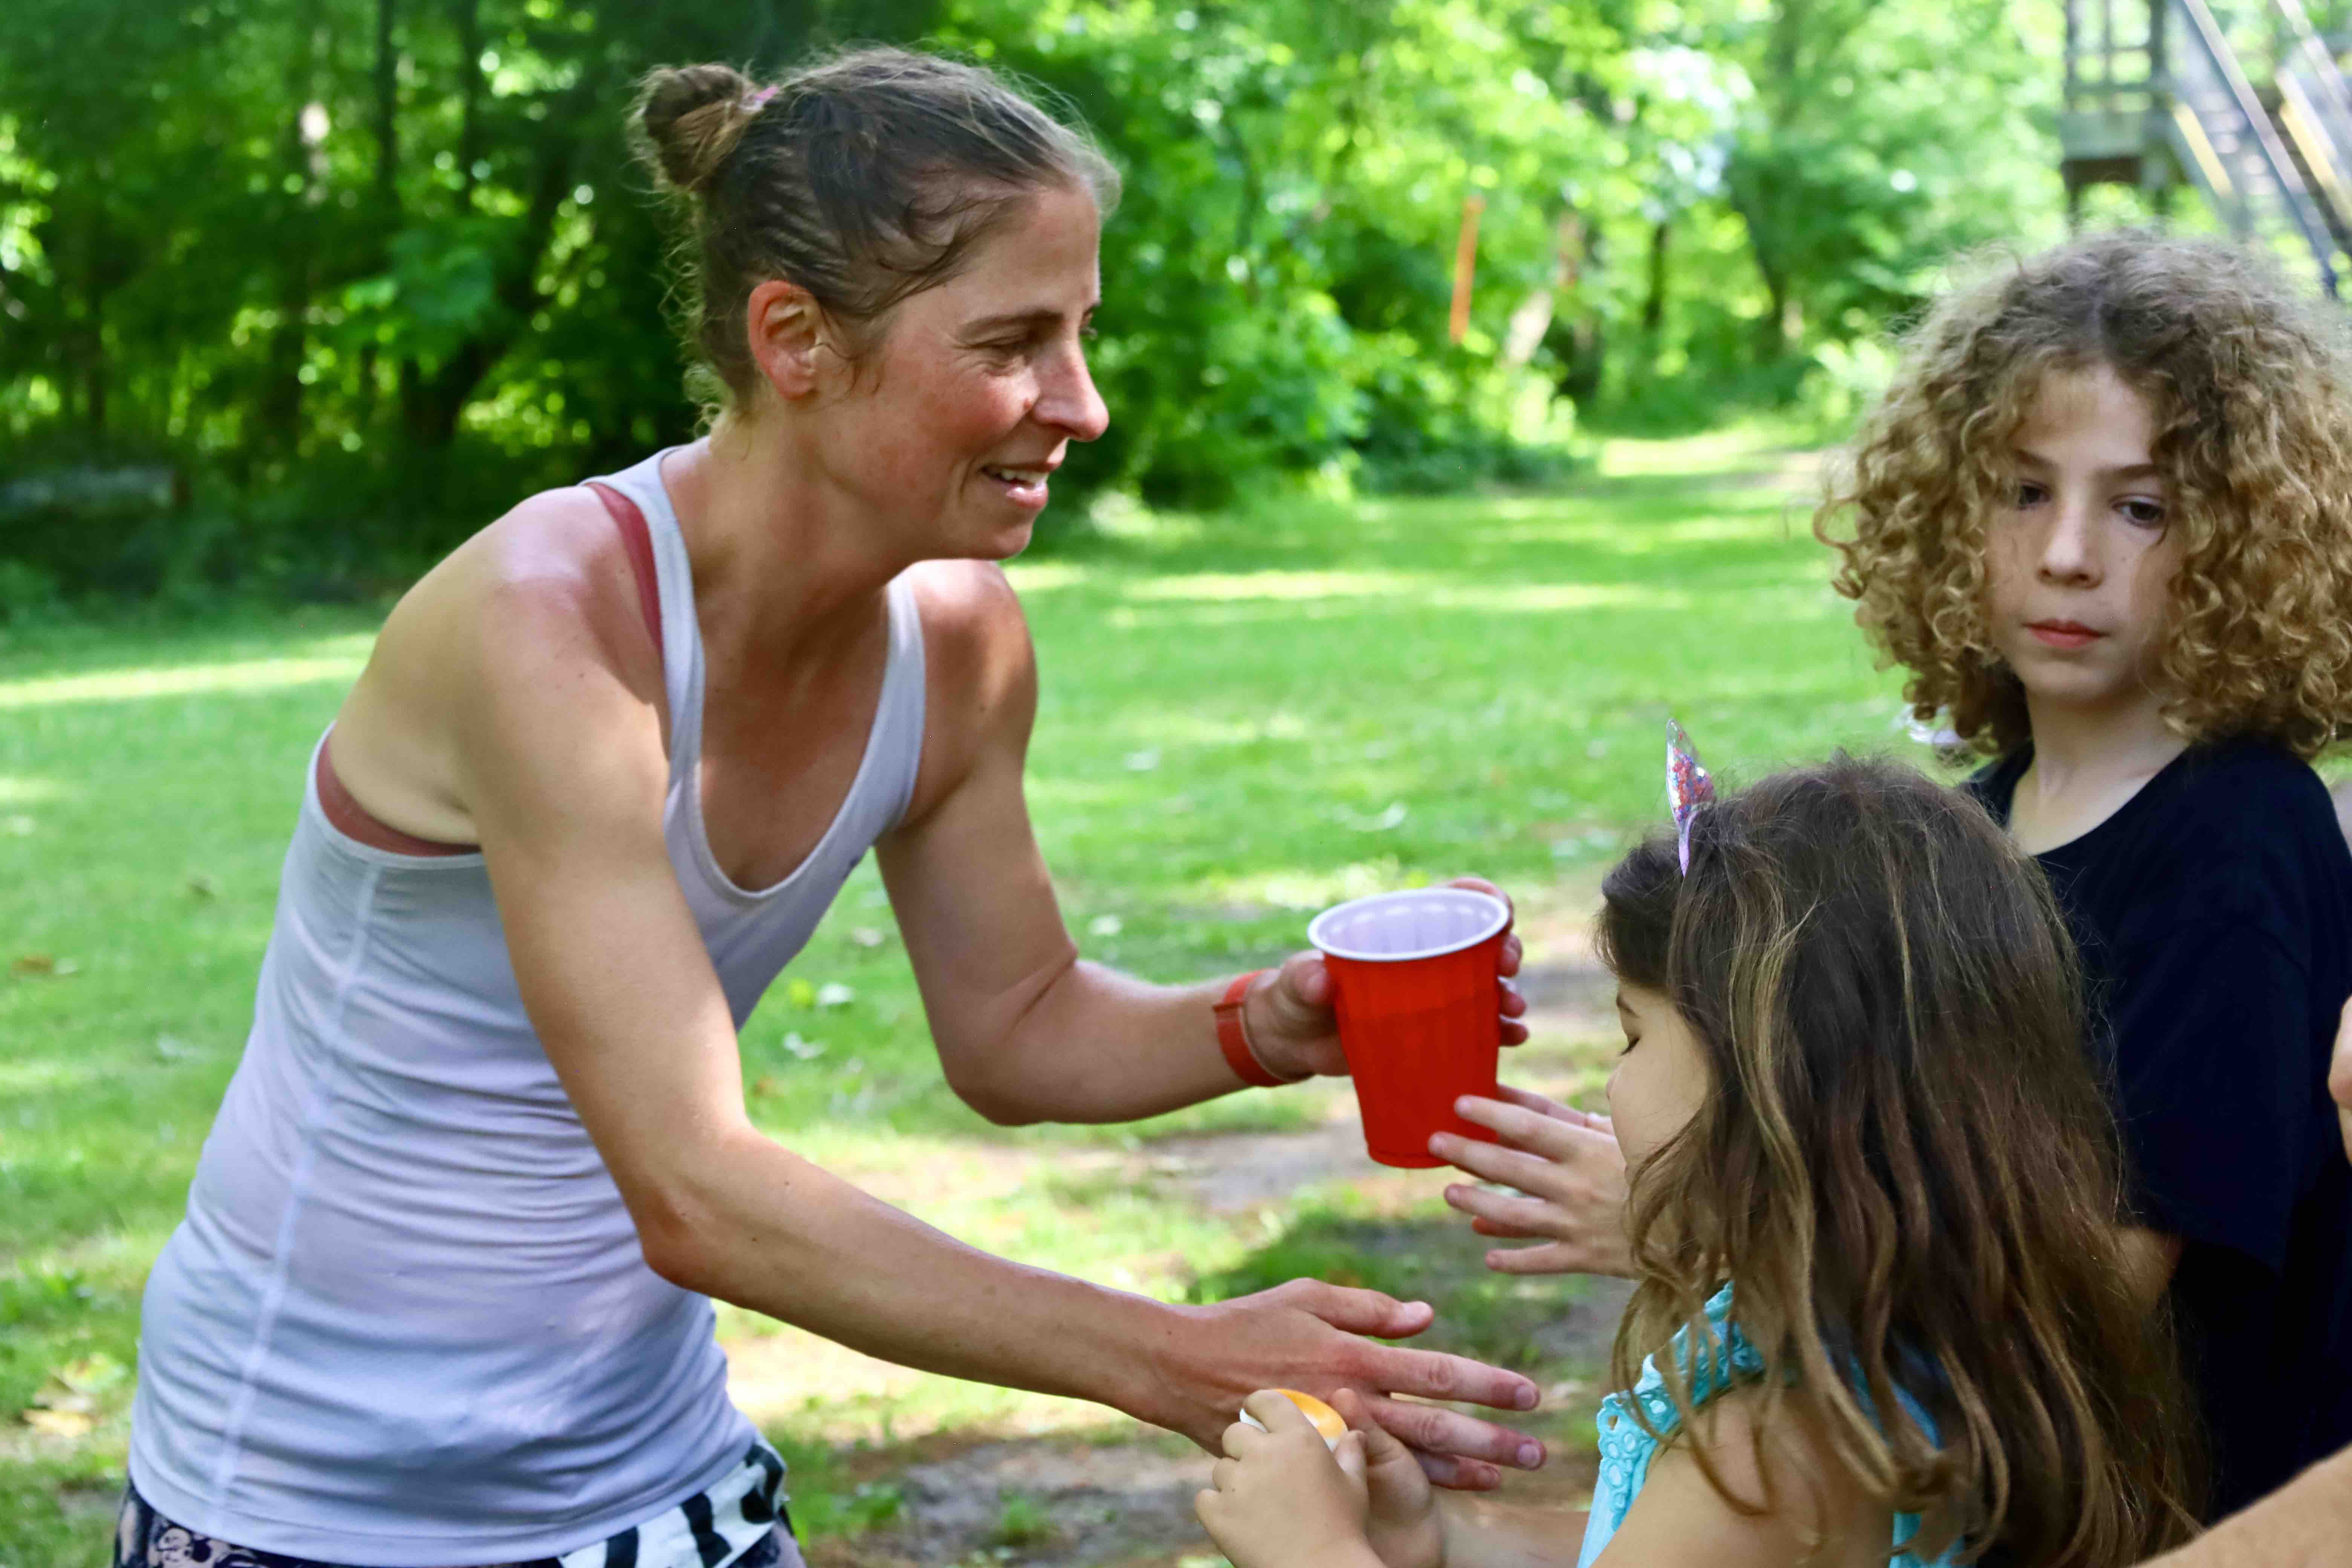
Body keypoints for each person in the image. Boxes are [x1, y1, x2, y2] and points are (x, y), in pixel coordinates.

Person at [116, 49, 1545, 1568]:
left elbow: (1019, 1021)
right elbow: (695, 1189)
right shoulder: (551, 626)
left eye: (1080, 334)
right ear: (793, 338)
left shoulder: (957, 637)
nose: (1085, 404)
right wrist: (1167, 1353)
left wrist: (1258, 1022)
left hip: (649, 1468)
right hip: (311, 1495)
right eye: (1015, 342)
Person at [1436, 234, 2352, 1523]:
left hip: (2204, 1515)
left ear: (2251, 537)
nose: (2071, 553)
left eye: (2140, 507)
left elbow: (2105, 1284)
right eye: (2023, 492)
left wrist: (1705, 1225)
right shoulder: (1970, 831)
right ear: (1944, 508)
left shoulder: (2240, 835)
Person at [1195, 758, 2202, 1567]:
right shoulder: (1919, 1354)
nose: (1611, 1084)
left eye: (1634, 1039)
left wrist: (1312, 1549)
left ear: (1765, 1092)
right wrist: (1440, 1541)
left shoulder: (1770, 1457)